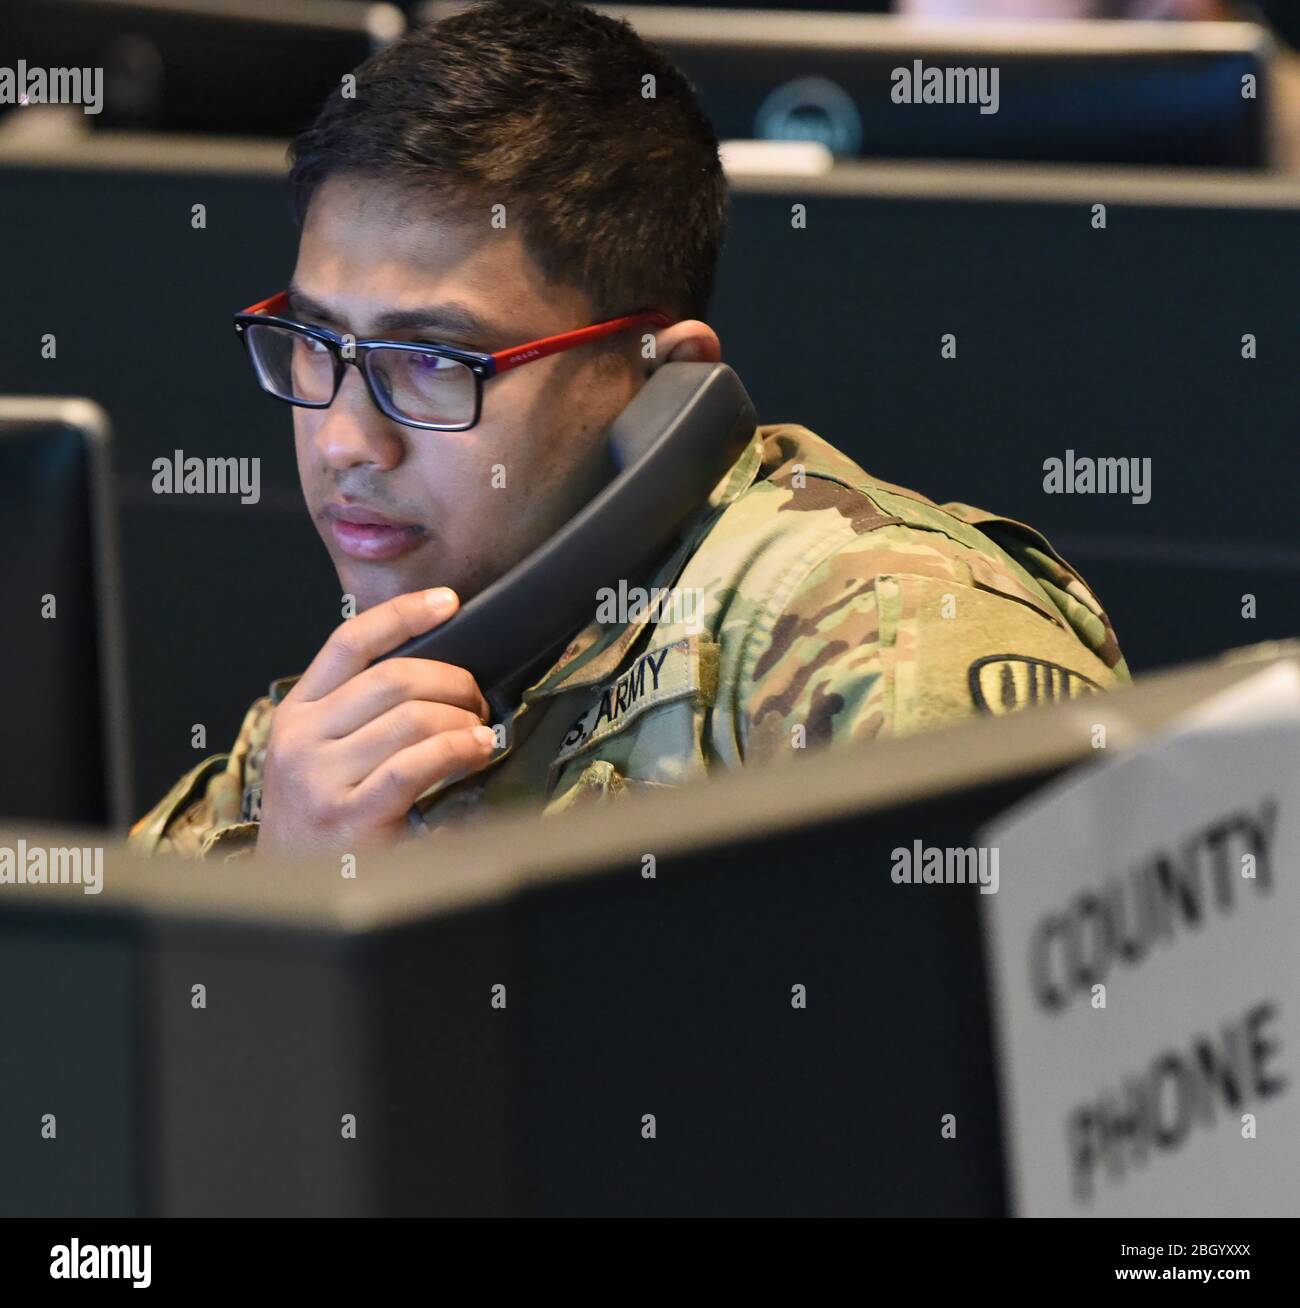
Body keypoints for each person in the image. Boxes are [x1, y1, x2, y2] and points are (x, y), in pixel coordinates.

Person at [128, 0, 1129, 861]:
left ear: (662, 373)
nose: (346, 441)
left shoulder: (879, 650)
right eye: (312, 340)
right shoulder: (364, 694)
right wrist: (288, 887)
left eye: (434, 361)